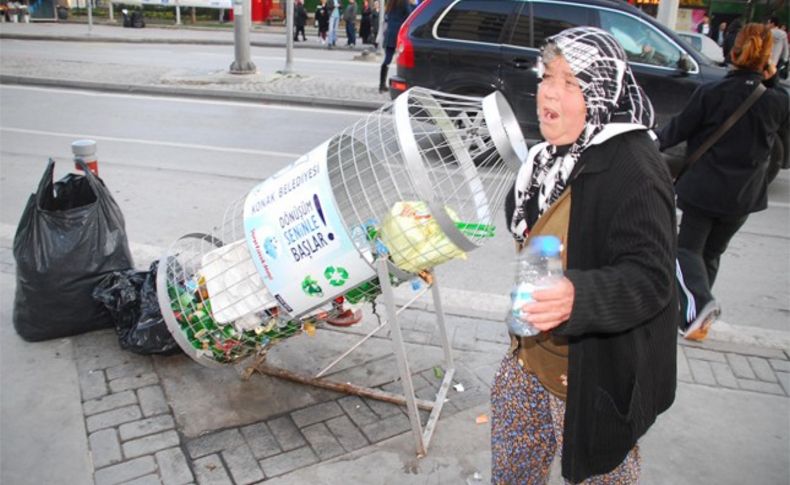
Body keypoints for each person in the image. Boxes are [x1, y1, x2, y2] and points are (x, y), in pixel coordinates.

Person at [491, 26, 678, 484]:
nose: (549, 93)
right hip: (528, 360)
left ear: (601, 90)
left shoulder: (633, 166)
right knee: (511, 475)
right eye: (546, 77)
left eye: (571, 82)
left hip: (592, 380)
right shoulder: (546, 160)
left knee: (599, 474)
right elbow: (538, 238)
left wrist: (580, 296)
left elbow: (651, 277)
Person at [659, 23, 789, 341]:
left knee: (685, 250)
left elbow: (676, 132)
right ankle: (696, 321)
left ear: (732, 51)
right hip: (744, 197)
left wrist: (646, 142)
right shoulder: (777, 101)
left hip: (704, 190)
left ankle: (700, 303)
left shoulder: (712, 93)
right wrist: (771, 80)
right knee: (712, 253)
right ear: (768, 57)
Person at [379, 0, 411, 92]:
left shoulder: (390, 3)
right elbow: (409, 16)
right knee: (405, 59)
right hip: (399, 33)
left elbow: (386, 17)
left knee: (387, 59)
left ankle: (381, 84)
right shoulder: (404, 2)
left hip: (389, 33)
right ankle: (404, 84)